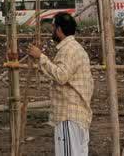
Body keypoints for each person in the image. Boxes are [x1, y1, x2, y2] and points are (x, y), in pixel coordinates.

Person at [27, 12, 93, 156]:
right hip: (76, 114)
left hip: (69, 115)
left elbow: (61, 76)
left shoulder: (69, 50)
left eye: (53, 28)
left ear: (58, 29)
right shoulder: (74, 48)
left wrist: (41, 57)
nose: (52, 31)